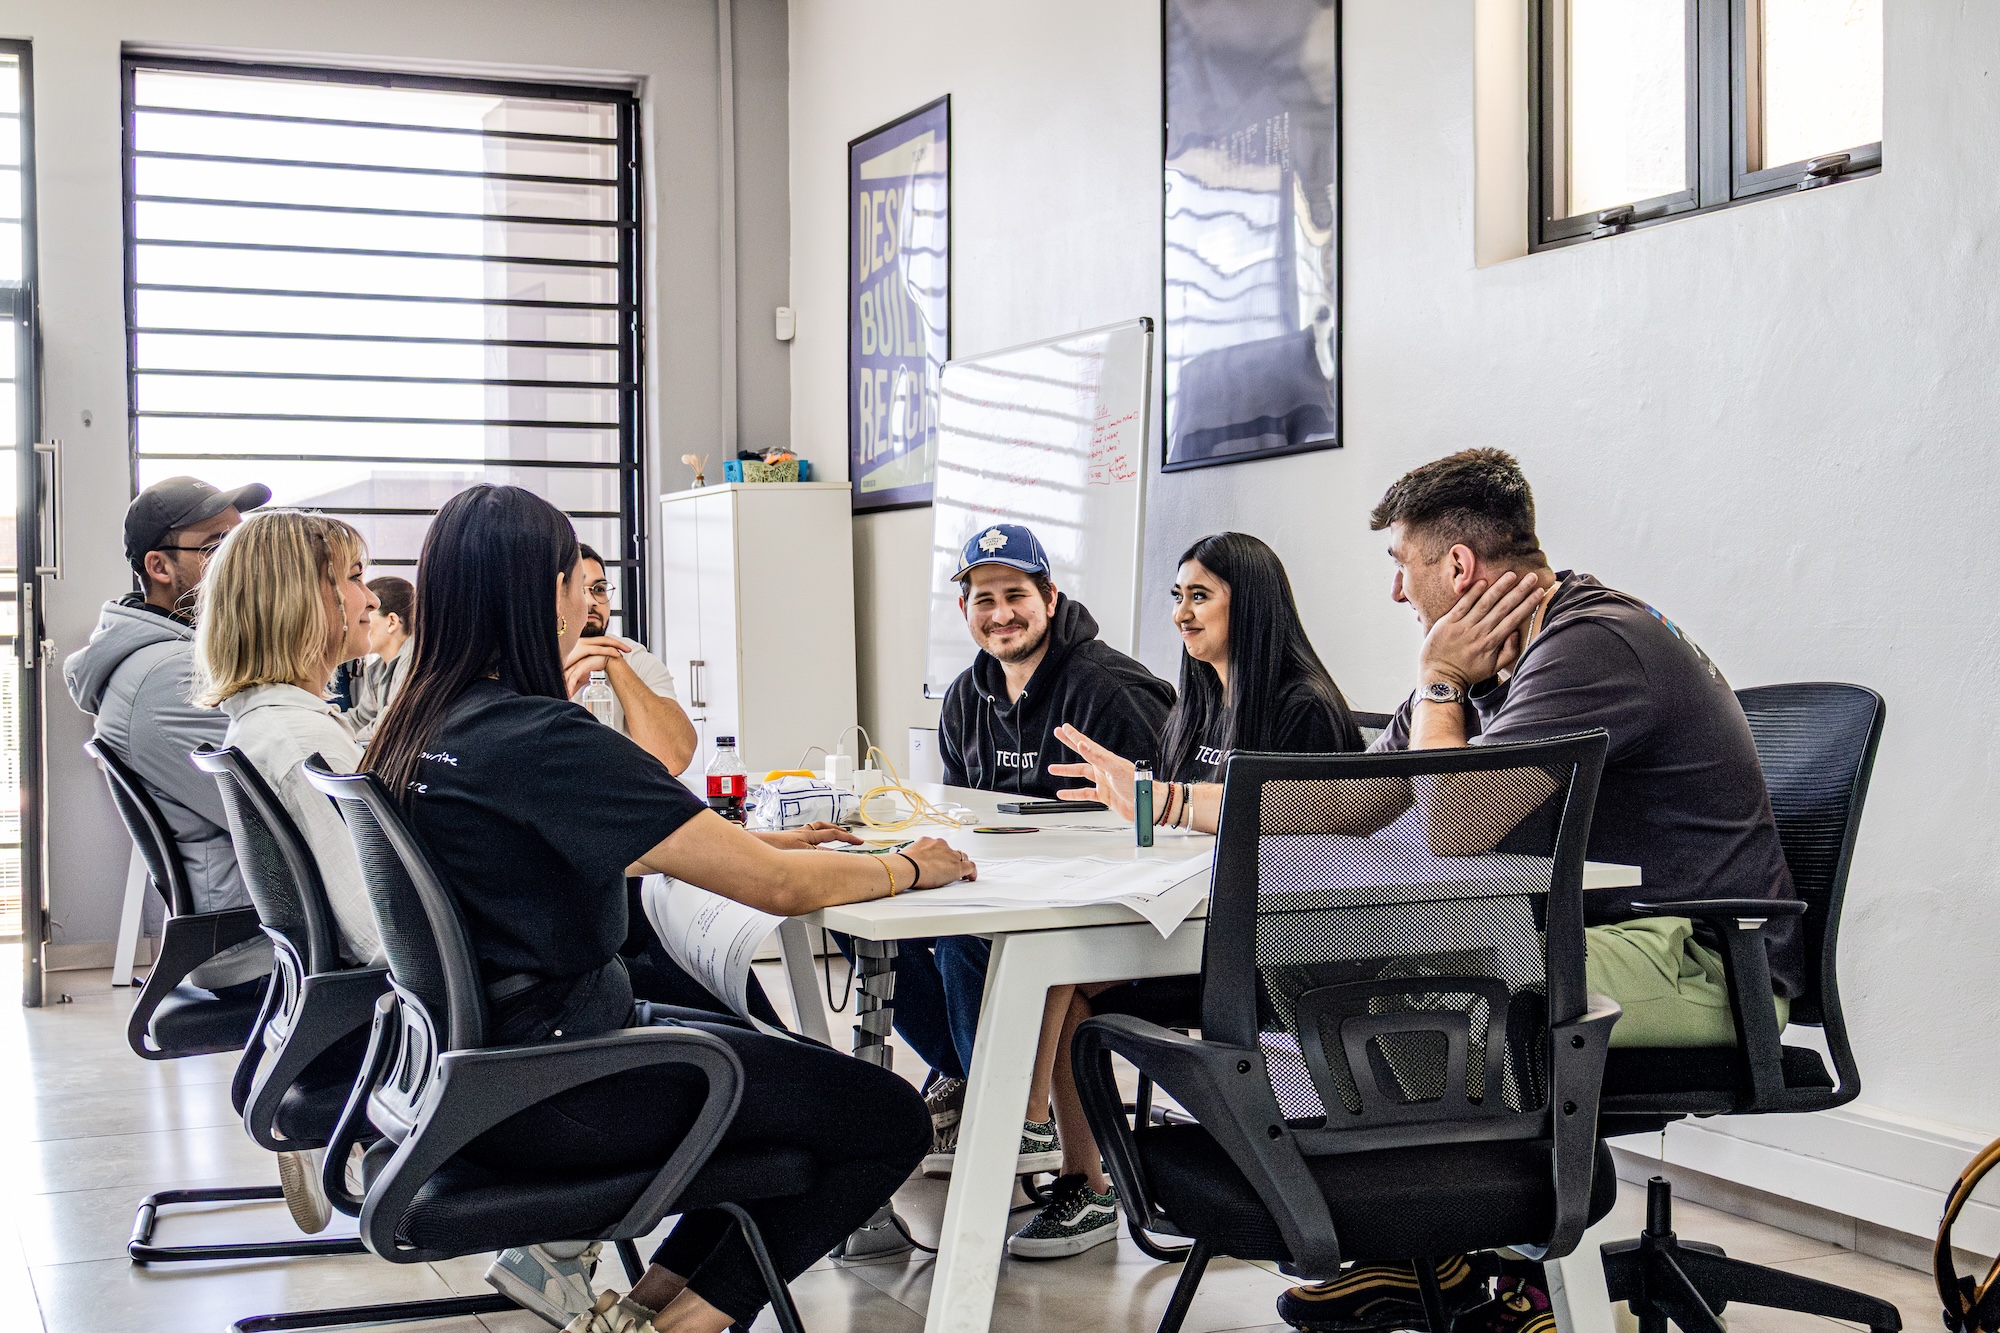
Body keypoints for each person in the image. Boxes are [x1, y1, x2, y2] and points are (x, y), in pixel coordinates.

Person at [1051, 449, 1799, 1333]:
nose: (1397, 596)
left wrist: (1438, 680)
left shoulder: (1590, 644)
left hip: (1703, 961)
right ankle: (1422, 1247)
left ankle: (1467, 1248)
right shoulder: (1495, 658)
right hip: (1602, 940)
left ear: (1458, 566)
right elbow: (1358, 795)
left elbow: (1448, 831)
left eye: (1401, 568)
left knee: (1388, 974)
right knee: (1351, 956)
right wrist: (1167, 798)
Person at [361, 484, 974, 1333]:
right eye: (579, 580)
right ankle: (680, 1328)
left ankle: (645, 1310)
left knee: (787, 1076)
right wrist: (911, 863)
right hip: (570, 1086)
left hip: (483, 1072)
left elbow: (604, 846)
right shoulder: (539, 736)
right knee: (883, 1117)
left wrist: (768, 849)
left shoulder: (415, 725)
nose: (590, 599)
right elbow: (780, 892)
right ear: (541, 592)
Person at [992, 532, 1365, 1260]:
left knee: (1062, 970)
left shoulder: (1303, 705)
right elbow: (1171, 824)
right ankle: (1081, 1176)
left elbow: (1303, 827)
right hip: (1186, 916)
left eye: (1199, 596)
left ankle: (1034, 1127)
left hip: (1274, 941)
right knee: (1055, 966)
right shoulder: (1197, 701)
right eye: (1177, 597)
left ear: (1248, 605)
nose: (1181, 615)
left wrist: (1158, 803)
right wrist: (1127, 807)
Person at [919, 523, 1177, 1207]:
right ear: (964, 611)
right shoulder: (963, 699)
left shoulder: (1110, 690)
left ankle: (1010, 1116)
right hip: (1019, 895)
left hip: (1131, 912)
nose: (1001, 613)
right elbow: (959, 811)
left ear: (1050, 597)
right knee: (895, 941)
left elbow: (1167, 821)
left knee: (978, 946)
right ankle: (972, 1082)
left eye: (1016, 594)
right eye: (984, 599)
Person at [191, 509, 387, 1236]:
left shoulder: (268, 720)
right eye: (356, 579)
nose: (371, 600)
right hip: (393, 1014)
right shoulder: (301, 738)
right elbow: (376, 932)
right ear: (307, 601)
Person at [64, 475, 272, 998]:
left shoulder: (173, 661)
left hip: (263, 921)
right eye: (217, 547)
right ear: (159, 567)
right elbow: (286, 809)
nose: (241, 564)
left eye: (240, 543)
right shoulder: (168, 677)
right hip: (257, 943)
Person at [564, 543, 697, 775]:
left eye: (599, 588)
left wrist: (613, 661)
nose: (591, 601)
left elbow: (674, 759)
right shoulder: (529, 659)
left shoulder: (631, 656)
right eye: (579, 589)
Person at [339, 574, 412, 745]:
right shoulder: (378, 669)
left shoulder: (413, 663)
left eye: (364, 616)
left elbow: (386, 728)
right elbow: (360, 718)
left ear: (392, 622)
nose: (356, 625)